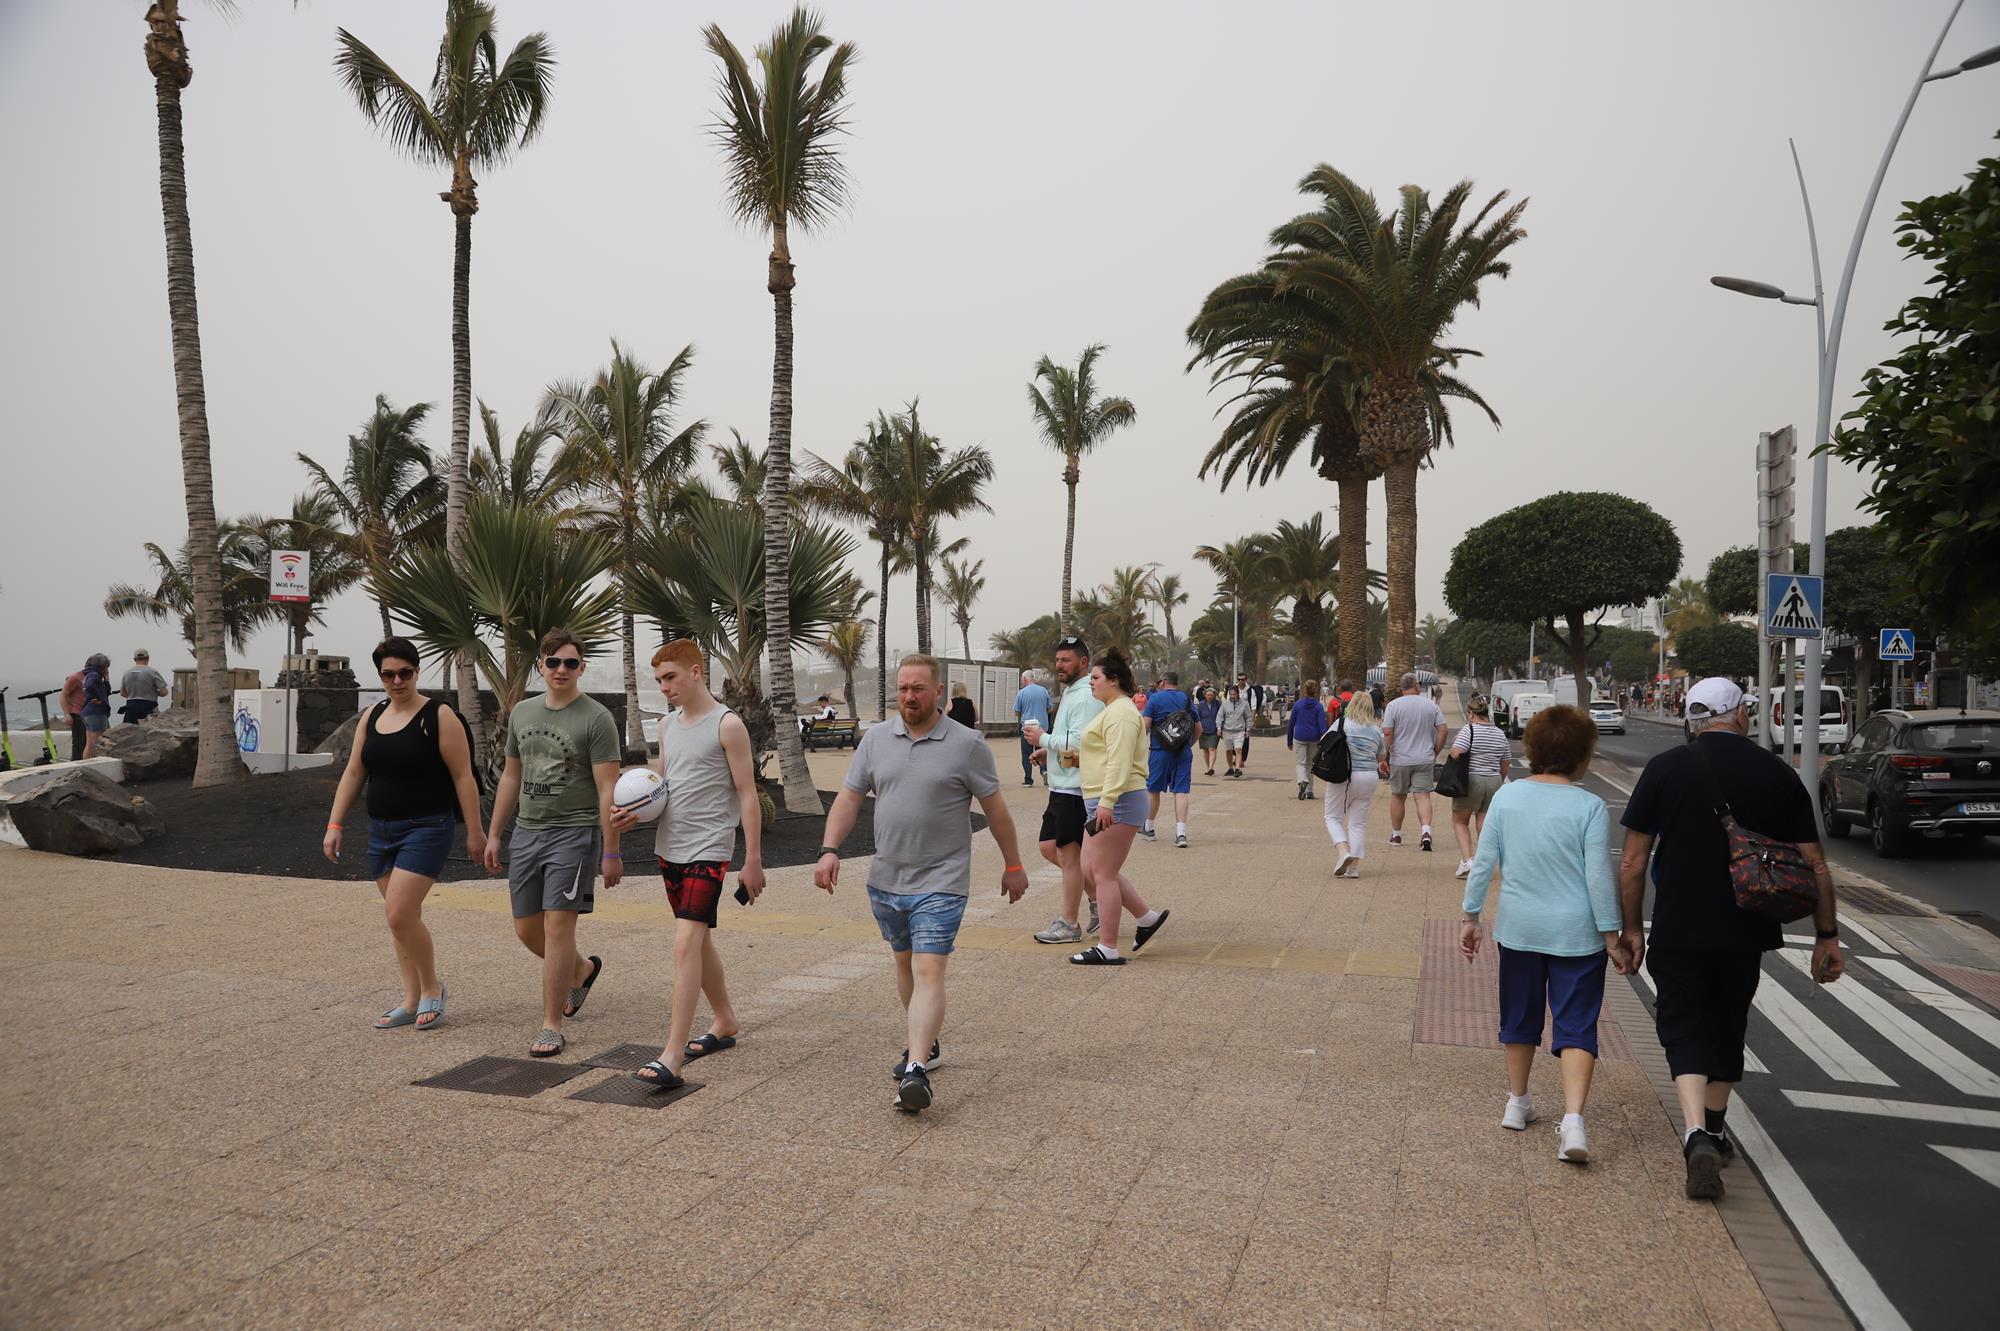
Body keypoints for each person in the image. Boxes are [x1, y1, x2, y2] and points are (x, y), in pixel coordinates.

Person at [1617, 677, 1845, 1200]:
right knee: (1727, 1020)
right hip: (1748, 926)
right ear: (1741, 715)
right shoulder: (1777, 774)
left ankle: (1696, 1129)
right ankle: (1716, 1130)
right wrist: (1826, 937)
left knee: (1683, 1023)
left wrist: (1632, 928)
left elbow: (1632, 861)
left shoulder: (1665, 769)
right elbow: (1816, 866)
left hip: (1677, 924)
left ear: (1694, 719)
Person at [817, 656, 1029, 1114]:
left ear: (938, 693)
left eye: (918, 688)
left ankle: (916, 1069)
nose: (909, 696)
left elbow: (995, 810)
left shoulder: (967, 745)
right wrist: (829, 848)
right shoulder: (875, 740)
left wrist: (1014, 864)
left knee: (929, 971)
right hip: (887, 879)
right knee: (905, 965)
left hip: (943, 879)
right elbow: (849, 798)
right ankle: (927, 1045)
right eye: (903, 689)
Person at [1460, 705, 1623, 1164]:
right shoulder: (1589, 806)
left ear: (1530, 750)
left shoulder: (1508, 799)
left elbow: (1483, 862)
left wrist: (1470, 917)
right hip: (1578, 934)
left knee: (1519, 1014)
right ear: (1583, 755)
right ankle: (1573, 1120)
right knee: (1576, 1023)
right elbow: (1598, 878)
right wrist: (1611, 937)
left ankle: (1518, 1101)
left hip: (1520, 928)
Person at [614, 640, 765, 1091]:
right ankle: (724, 1020)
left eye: (671, 678)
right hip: (670, 848)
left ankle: (671, 1056)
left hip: (709, 849)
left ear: (696, 672)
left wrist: (752, 859)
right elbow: (662, 790)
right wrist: (631, 816)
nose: (664, 688)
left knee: (684, 945)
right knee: (697, 943)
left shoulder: (729, 724)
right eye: (659, 680)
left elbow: (747, 794)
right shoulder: (666, 726)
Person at [323, 637, 485, 1032]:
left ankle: (433, 988)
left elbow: (464, 776)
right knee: (402, 918)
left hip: (427, 827)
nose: (397, 681)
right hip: (381, 830)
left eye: (405, 672)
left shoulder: (439, 715)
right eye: (388, 674)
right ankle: (410, 998)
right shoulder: (372, 714)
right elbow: (354, 772)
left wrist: (476, 832)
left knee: (397, 912)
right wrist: (334, 823)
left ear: (417, 671)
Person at [482, 629, 623, 1058]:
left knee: (558, 928)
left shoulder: (596, 718)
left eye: (571, 663)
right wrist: (494, 833)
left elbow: (607, 790)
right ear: (540, 666)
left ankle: (551, 1025)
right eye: (553, 662)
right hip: (527, 832)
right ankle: (580, 970)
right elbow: (511, 775)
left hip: (575, 834)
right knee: (527, 928)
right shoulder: (522, 713)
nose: (561, 669)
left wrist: (612, 851)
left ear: (581, 668)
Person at [1071, 647, 1170, 966]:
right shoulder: (1115, 710)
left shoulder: (1123, 713)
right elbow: (1106, 755)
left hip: (1118, 800)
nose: (1091, 683)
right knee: (1094, 869)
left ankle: (1108, 946)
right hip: (1107, 799)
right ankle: (1146, 918)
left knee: (1103, 873)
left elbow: (1120, 762)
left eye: (1096, 678)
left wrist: (1107, 802)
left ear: (1113, 681)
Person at [1029, 635, 1106, 946]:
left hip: (1074, 789)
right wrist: (1048, 753)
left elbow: (1079, 745)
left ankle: (1069, 924)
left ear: (1083, 662)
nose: (1059, 665)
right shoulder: (1073, 693)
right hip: (1062, 786)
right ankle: (1100, 899)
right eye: (1058, 660)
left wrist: (1043, 739)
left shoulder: (1086, 697)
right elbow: (1072, 743)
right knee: (1050, 847)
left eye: (1066, 660)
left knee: (1068, 855)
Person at [1380, 672, 1448, 851]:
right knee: (1423, 796)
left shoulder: (1393, 706)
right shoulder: (1430, 705)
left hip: (1400, 759)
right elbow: (1443, 730)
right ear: (1417, 686)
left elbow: (1387, 733)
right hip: (1424, 757)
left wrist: (1384, 756)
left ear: (1401, 687)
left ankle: (1396, 835)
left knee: (1398, 796)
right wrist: (1435, 751)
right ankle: (1426, 832)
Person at [1448, 694, 1513, 878]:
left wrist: (1458, 751)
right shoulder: (1500, 734)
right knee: (1483, 820)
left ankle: (1468, 861)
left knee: (1460, 820)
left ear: (1471, 713)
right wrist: (1499, 778)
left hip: (1472, 779)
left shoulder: (1469, 730)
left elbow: (1455, 752)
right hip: (1493, 780)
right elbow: (1506, 761)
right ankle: (1484, 862)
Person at [1323, 691, 1384, 879]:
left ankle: (1343, 851)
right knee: (1358, 823)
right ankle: (1353, 868)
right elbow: (1381, 756)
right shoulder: (1375, 730)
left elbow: (1324, 742)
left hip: (1346, 775)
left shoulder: (1342, 723)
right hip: (1370, 777)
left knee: (1332, 816)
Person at [1139, 670, 1198, 847]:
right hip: (1183, 752)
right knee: (1181, 790)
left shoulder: (1155, 699)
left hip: (1159, 751)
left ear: (1163, 681)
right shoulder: (1187, 699)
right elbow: (1198, 729)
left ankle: (1149, 827)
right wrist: (1186, 744)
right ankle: (1181, 833)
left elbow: (1145, 726)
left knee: (1153, 789)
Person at [1285, 680, 1329, 801]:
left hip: (1300, 736)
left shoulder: (1298, 705)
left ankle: (1302, 781)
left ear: (1304, 690)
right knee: (1310, 764)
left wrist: (1289, 740)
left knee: (1300, 762)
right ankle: (1310, 790)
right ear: (1316, 692)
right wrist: (1323, 740)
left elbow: (1291, 723)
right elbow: (1322, 725)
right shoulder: (1318, 706)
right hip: (1314, 738)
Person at [1011, 669, 1053, 788]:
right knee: (1043, 751)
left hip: (1027, 728)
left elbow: (1017, 711)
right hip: (1042, 727)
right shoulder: (1044, 691)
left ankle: (1028, 780)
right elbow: (1050, 708)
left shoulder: (1021, 693)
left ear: (1025, 679)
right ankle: (1044, 771)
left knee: (1026, 753)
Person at [118, 650, 169, 724]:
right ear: (148, 658)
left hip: (131, 709)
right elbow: (164, 692)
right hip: (149, 708)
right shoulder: (152, 672)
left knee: (130, 733)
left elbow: (123, 693)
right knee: (150, 733)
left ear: (134, 660)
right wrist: (155, 692)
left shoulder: (126, 673)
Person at [77, 654, 113, 760]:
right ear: (102, 666)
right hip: (96, 713)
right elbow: (89, 686)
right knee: (98, 744)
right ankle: (95, 766)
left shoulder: (89, 674)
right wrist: (97, 697)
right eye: (106, 666)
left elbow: (107, 692)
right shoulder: (94, 674)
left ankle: (86, 765)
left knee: (89, 744)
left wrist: (106, 680)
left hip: (87, 713)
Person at [1218, 685, 1250, 779]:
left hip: (1239, 731)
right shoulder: (1225, 704)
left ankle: (1237, 769)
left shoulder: (1244, 704)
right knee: (1229, 750)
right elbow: (1220, 716)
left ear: (1238, 694)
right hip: (1227, 731)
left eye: (1234, 694)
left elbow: (1248, 718)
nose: (1232, 696)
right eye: (1231, 694)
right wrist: (1219, 728)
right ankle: (1230, 768)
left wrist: (1248, 729)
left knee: (1238, 749)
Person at [60, 664, 88, 761]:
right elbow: (63, 695)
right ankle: (75, 764)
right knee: (79, 743)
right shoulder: (75, 677)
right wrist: (67, 714)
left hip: (87, 714)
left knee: (86, 742)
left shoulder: (92, 677)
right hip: (76, 713)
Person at [1194, 685, 1223, 776]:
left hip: (1214, 730)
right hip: (1203, 730)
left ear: (1214, 695)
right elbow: (1196, 717)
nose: (1210, 696)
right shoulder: (1201, 705)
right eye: (1208, 695)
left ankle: (1211, 767)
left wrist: (1220, 727)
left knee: (1212, 748)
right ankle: (1208, 768)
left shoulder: (1218, 704)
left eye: (1211, 695)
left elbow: (1221, 716)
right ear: (1205, 695)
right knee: (1205, 749)